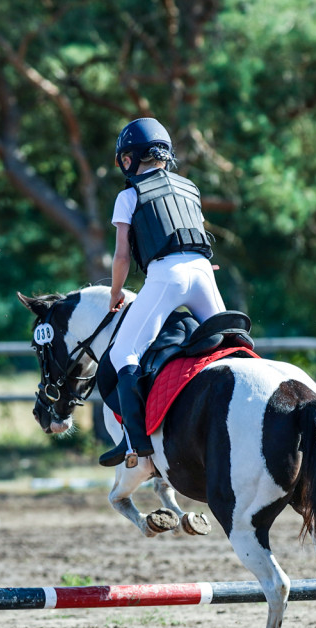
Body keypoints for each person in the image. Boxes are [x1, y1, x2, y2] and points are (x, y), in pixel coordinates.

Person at [101, 117, 226, 468]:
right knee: (232, 340)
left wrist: (115, 292)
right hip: (202, 272)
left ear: (133, 157)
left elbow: (123, 255)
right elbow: (191, 238)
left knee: (124, 352)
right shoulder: (190, 187)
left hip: (166, 276)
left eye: (124, 158)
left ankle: (135, 444)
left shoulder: (128, 196)